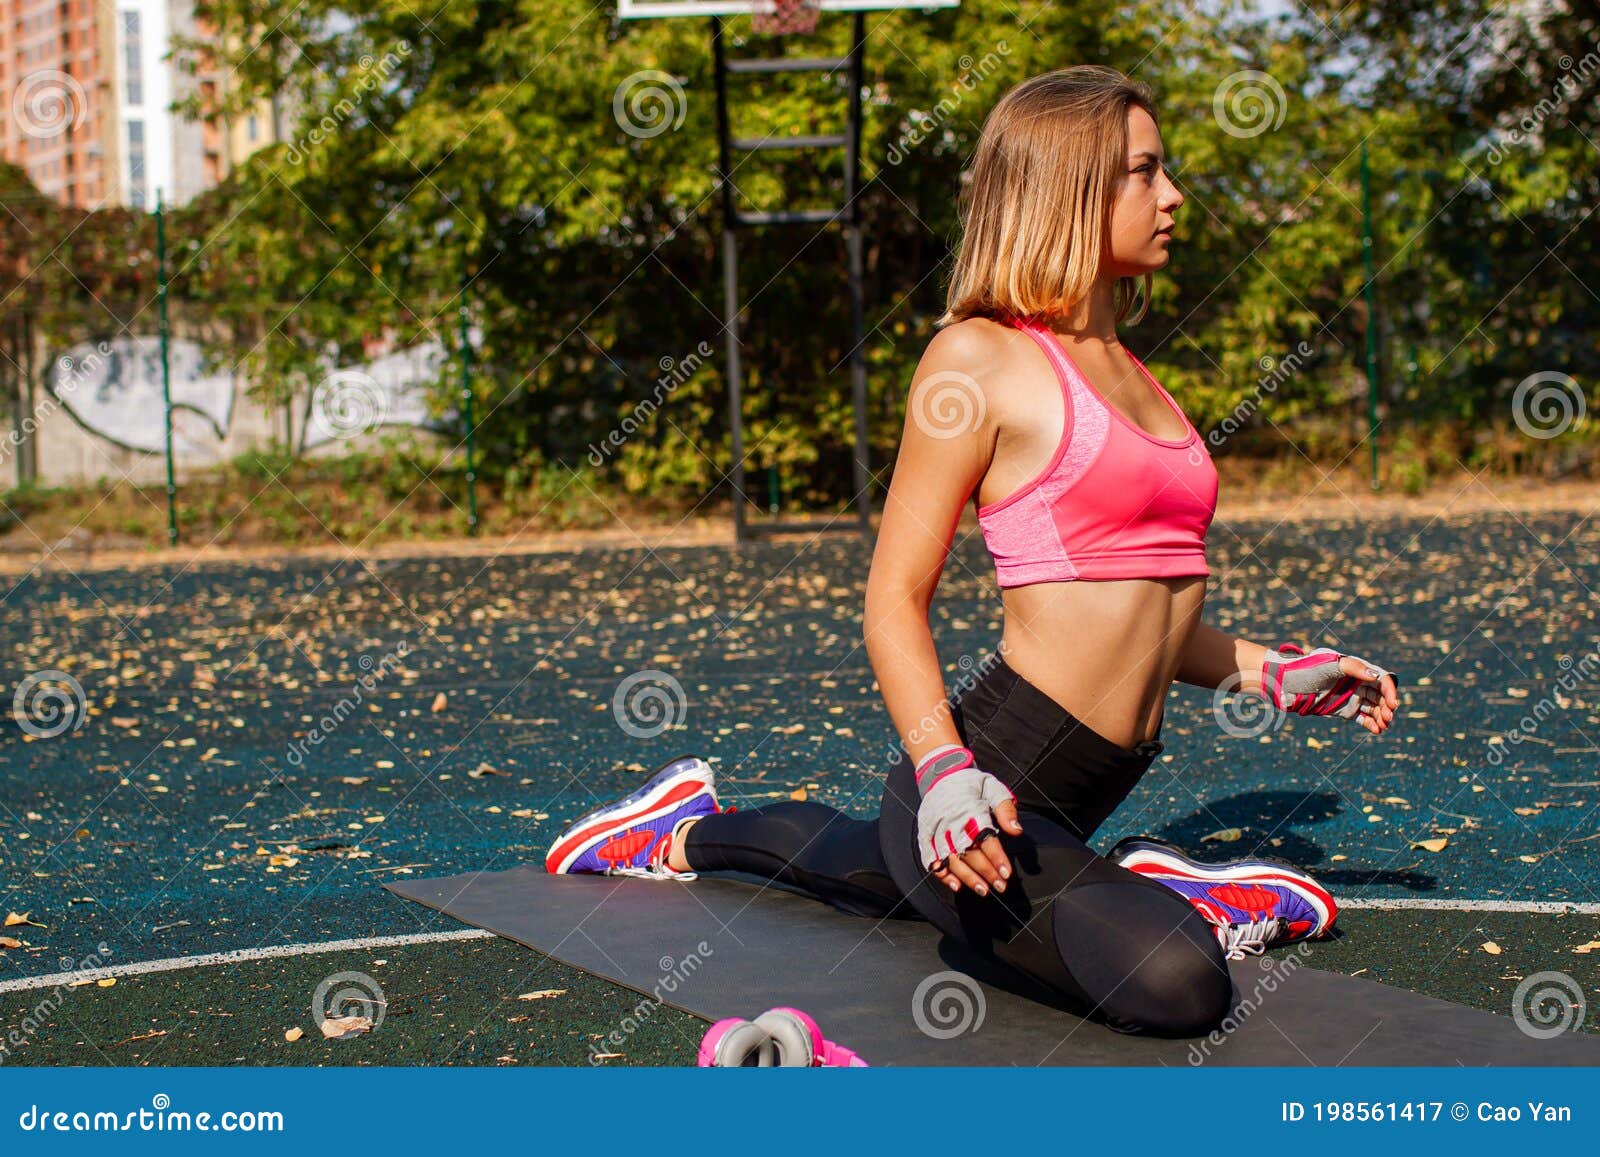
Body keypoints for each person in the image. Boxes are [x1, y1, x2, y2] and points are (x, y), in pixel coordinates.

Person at [546, 65, 1401, 1038]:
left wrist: (1277, 672)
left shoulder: (1135, 373)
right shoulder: (979, 359)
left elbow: (1146, 605)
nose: (1172, 197)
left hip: (1077, 788)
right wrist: (946, 769)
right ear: (1065, 187)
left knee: (845, 860)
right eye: (1143, 172)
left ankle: (680, 828)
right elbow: (892, 600)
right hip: (983, 769)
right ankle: (1174, 895)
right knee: (1176, 979)